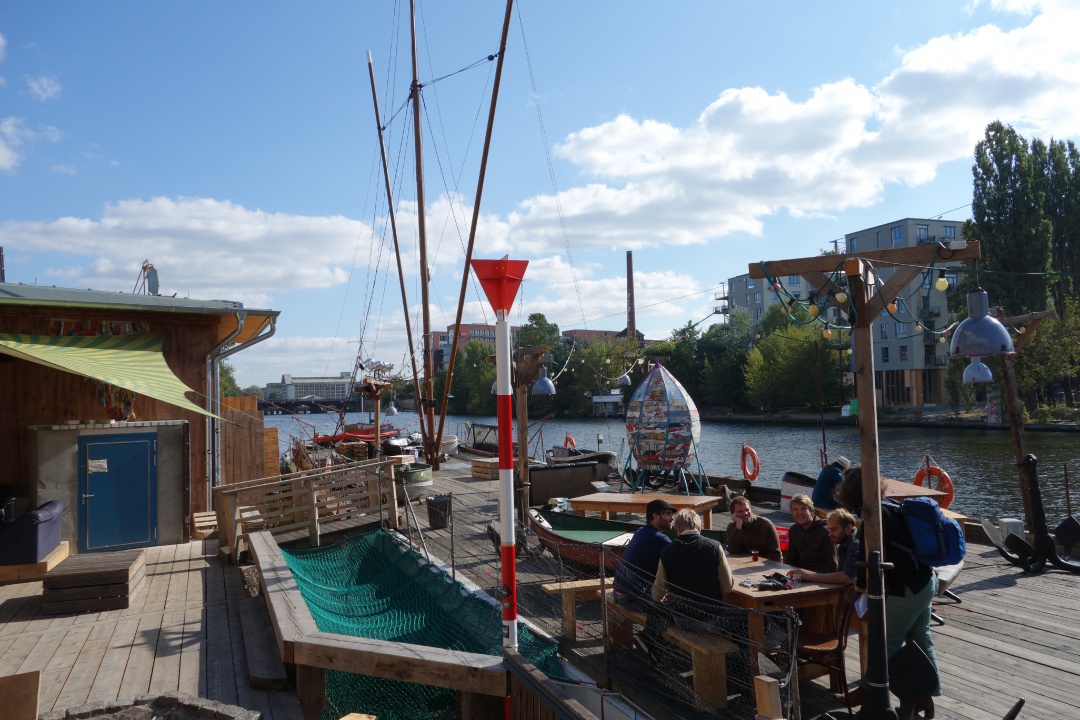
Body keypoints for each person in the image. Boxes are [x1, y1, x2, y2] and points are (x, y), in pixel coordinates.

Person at [835, 465, 939, 716]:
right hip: (926, 580)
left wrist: (860, 584)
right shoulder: (892, 506)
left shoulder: (872, 517)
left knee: (885, 642)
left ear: (849, 494)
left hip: (907, 588)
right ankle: (925, 698)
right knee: (920, 640)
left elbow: (866, 558)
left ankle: (868, 693)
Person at [651, 508, 737, 634]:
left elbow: (657, 594)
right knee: (743, 616)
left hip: (680, 619)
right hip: (711, 619)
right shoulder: (714, 547)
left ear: (678, 528)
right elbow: (727, 587)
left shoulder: (667, 551)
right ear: (698, 527)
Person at [612, 498, 675, 611]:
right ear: (655, 516)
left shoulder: (641, 531)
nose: (672, 518)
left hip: (619, 593)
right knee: (676, 609)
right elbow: (680, 557)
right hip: (630, 599)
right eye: (668, 514)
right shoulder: (658, 538)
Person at [788, 508, 859, 584]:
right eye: (829, 530)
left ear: (848, 528)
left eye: (834, 529)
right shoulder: (843, 545)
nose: (830, 534)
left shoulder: (856, 544)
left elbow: (846, 578)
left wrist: (809, 576)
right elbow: (841, 575)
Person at [784, 494, 837, 573]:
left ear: (811, 510)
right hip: (800, 575)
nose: (800, 512)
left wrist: (809, 576)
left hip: (820, 576)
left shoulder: (825, 532)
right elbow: (791, 560)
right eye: (796, 509)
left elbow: (832, 566)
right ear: (792, 513)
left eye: (803, 509)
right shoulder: (794, 530)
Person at [726, 495, 782, 562]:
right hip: (743, 563)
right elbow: (731, 550)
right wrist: (738, 526)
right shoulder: (733, 527)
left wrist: (757, 564)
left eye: (747, 510)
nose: (745, 513)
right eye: (740, 511)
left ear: (751, 509)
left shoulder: (765, 524)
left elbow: (776, 554)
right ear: (734, 514)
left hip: (766, 564)